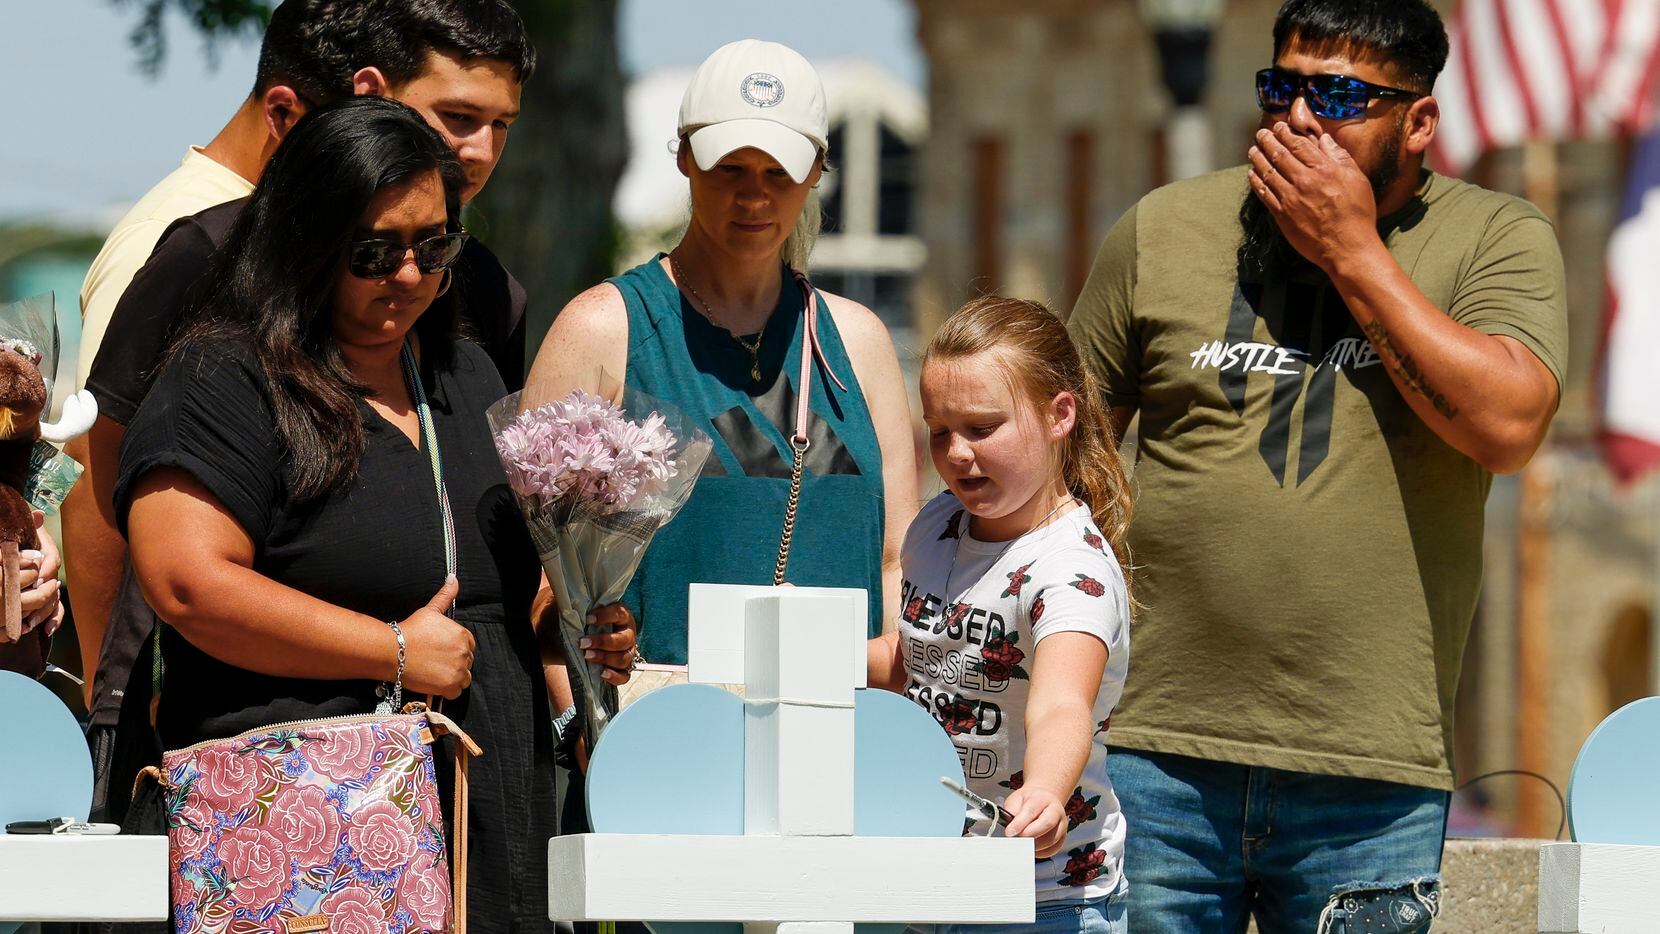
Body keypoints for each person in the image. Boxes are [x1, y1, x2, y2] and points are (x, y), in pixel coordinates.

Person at [1066, 0, 1567, 929]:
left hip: (1369, 773)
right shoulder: (1165, 229)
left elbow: (1506, 424)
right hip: (1156, 751)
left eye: (1337, 96)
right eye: (1281, 88)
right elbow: (1065, 452)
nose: (1298, 118)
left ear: (1418, 122)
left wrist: (1349, 250)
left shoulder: (1495, 238)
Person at [113, 97, 635, 934]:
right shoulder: (228, 377)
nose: (408, 275)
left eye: (434, 246)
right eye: (373, 251)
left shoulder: (467, 377)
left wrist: (576, 633)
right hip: (314, 847)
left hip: (493, 833)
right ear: (306, 239)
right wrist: (390, 651)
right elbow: (186, 583)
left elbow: (511, 599)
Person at [65, 0, 532, 786]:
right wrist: (110, 702)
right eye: (453, 117)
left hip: (470, 786)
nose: (475, 150)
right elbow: (109, 490)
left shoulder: (477, 312)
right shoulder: (202, 272)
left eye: (435, 245)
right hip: (290, 796)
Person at [528, 38, 917, 668]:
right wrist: (584, 723)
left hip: (839, 738)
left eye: (778, 172)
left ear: (818, 171)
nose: (753, 196)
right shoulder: (605, 329)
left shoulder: (859, 344)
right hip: (661, 739)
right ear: (684, 157)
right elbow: (538, 587)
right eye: (729, 167)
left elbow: (897, 565)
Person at [867, 296, 1133, 934]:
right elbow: (914, 661)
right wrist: (778, 654)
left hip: (1044, 898)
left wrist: (1044, 789)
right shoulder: (936, 525)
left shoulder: (1073, 569)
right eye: (939, 430)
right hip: (929, 882)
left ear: (1059, 415)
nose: (956, 453)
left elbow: (1062, 704)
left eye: (982, 429)